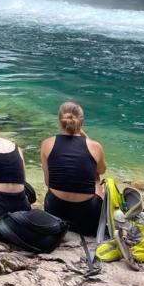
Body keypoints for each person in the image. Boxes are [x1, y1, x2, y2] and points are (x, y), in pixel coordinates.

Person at [41, 101, 106, 236]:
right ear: (81, 122)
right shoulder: (95, 146)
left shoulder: (46, 144)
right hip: (88, 219)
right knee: (96, 175)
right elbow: (102, 170)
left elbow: (48, 183)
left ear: (60, 121)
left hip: (55, 213)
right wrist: (86, 137)